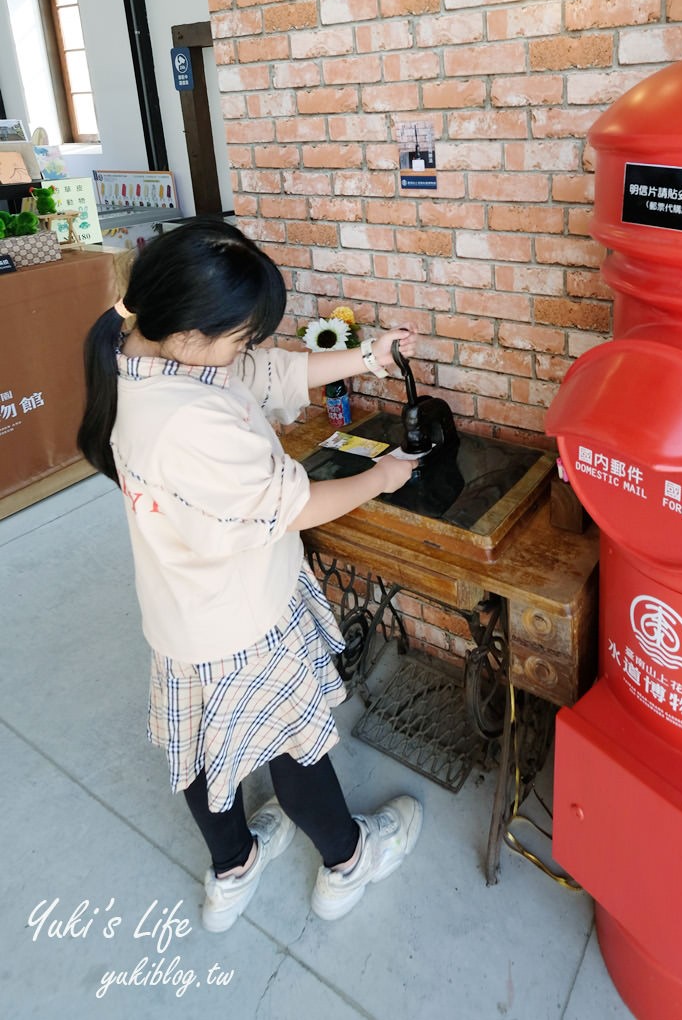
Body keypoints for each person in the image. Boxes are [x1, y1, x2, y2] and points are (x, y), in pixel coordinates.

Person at [78, 217, 424, 933]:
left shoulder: (136, 347)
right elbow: (296, 504)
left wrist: (366, 357)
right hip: (241, 620)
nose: (248, 350)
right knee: (294, 746)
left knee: (206, 750)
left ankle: (232, 868)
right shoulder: (192, 423)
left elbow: (265, 373)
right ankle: (348, 861)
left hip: (181, 615)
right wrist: (381, 476)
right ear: (189, 335)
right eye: (240, 336)